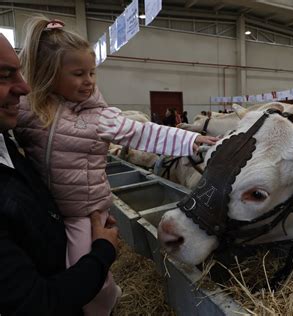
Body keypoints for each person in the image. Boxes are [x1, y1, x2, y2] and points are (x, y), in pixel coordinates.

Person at [14, 16, 218, 316]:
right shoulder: (30, 110)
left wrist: (190, 141)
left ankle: (103, 306)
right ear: (49, 74)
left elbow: (144, 133)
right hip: (48, 208)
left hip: (84, 212)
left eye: (92, 73)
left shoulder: (99, 117)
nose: (89, 81)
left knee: (84, 270)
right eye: (78, 73)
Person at [0, 34, 119, 316]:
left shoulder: (7, 140)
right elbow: (36, 303)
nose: (25, 86)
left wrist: (83, 207)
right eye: (5, 75)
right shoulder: (31, 121)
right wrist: (102, 250)